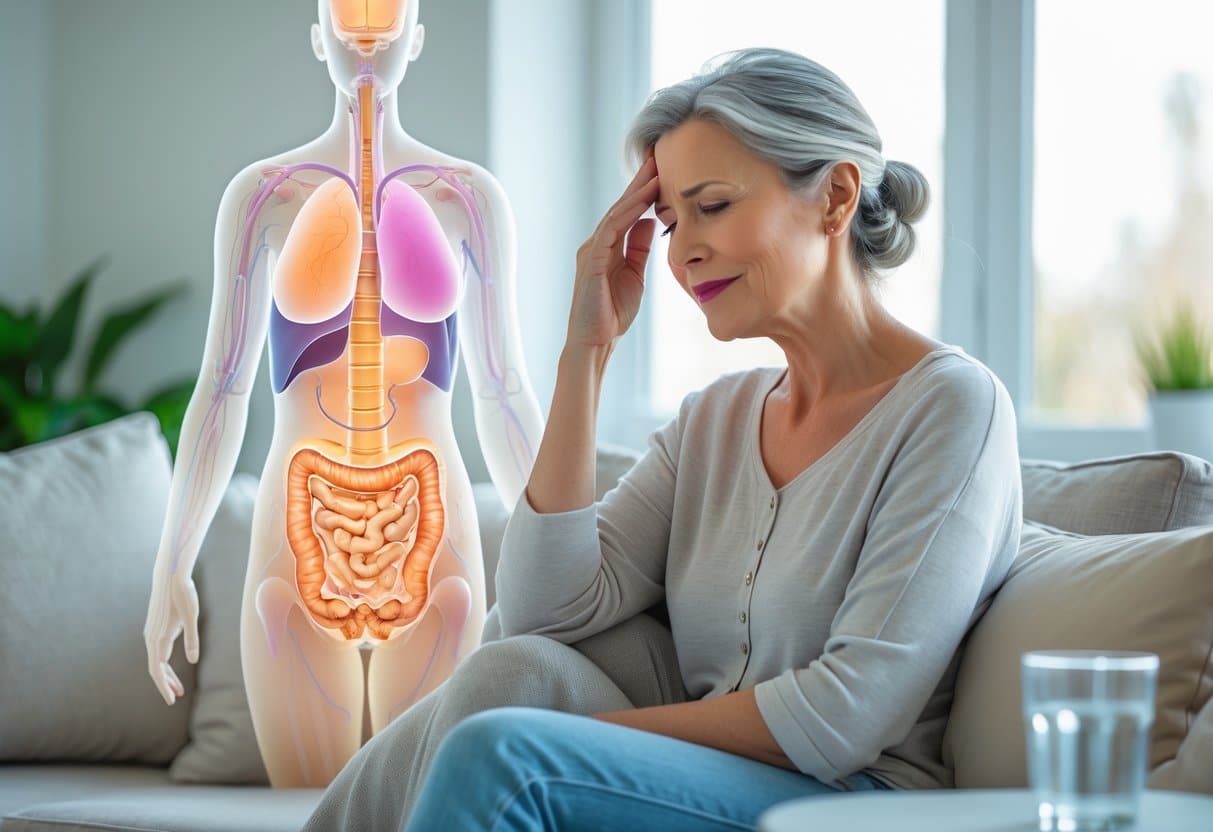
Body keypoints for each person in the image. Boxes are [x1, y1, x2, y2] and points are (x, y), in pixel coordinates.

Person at [303, 46, 1022, 831]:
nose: (681, 253)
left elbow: (844, 716)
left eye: (711, 207)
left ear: (835, 197)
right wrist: (585, 354)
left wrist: (566, 744)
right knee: (511, 671)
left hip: (851, 803)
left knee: (500, 751)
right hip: (701, 782)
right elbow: (542, 613)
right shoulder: (714, 419)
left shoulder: (952, 407)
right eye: (671, 221)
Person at [141, 0, 544, 788]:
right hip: (296, 539)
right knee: (309, 809)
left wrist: (557, 565)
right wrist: (170, 564)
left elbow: (503, 391)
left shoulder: (465, 196)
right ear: (316, 35)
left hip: (435, 536)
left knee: (417, 806)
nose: (368, 33)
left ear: (417, 39)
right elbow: (221, 389)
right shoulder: (263, 196)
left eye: (389, 17)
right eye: (346, 15)